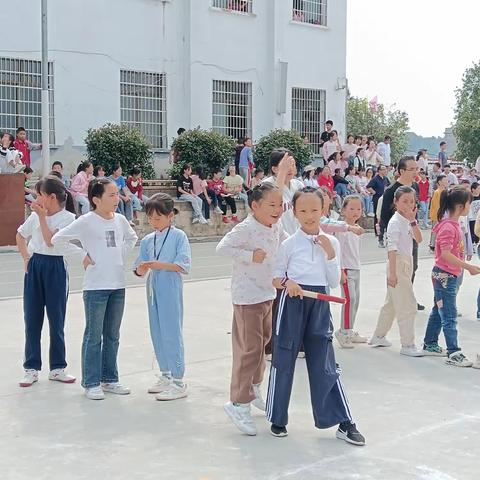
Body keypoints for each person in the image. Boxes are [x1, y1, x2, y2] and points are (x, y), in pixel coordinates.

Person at [267, 187, 365, 445]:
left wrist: (330, 255)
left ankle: (343, 422)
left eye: (314, 210)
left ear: (324, 210)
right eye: (303, 211)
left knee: (325, 362)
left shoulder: (332, 242)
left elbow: (333, 281)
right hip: (292, 302)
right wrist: (288, 283)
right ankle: (277, 417)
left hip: (320, 302)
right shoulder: (289, 244)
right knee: (284, 357)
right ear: (295, 213)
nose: (309, 215)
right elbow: (276, 278)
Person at [51, 177, 138, 400]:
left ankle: (110, 379)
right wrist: (83, 256)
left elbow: (132, 237)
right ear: (96, 199)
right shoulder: (87, 221)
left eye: (117, 194)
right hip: (96, 287)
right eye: (111, 195)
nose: (116, 198)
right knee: (94, 336)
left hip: (118, 285)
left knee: (112, 335)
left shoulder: (120, 220)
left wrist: (120, 255)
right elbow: (59, 239)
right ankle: (91, 382)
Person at [217, 183, 285, 436]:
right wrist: (248, 255)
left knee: (264, 343)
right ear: (255, 206)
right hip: (247, 297)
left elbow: (287, 246)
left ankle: (254, 387)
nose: (278, 210)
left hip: (267, 292)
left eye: (280, 205)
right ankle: (237, 402)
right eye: (272, 205)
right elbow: (222, 248)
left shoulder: (275, 227)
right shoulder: (246, 228)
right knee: (250, 349)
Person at [16, 176, 79, 387]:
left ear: (51, 197)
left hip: (56, 268)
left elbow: (52, 242)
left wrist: (42, 218)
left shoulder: (69, 218)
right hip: (36, 266)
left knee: (56, 319)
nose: (36, 198)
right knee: (32, 319)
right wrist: (26, 258)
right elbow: (20, 235)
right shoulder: (35, 216)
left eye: (39, 194)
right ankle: (31, 368)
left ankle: (58, 367)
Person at [134, 193, 191, 400]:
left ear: (170, 216)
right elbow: (139, 268)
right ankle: (165, 373)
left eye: (158, 217)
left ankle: (178, 379)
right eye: (150, 217)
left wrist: (159, 265)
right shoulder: (148, 240)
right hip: (153, 286)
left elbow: (183, 265)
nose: (153, 222)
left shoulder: (178, 237)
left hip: (170, 284)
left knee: (171, 330)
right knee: (156, 330)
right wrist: (141, 269)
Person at [423, 186, 480, 366]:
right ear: (461, 206)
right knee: (449, 314)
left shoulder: (453, 224)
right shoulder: (448, 227)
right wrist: (468, 267)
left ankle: (430, 343)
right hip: (445, 275)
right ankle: (453, 352)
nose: (470, 207)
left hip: (447, 275)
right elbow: (445, 254)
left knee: (438, 310)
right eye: (469, 203)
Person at [370, 186, 424, 356]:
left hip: (405, 262)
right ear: (396, 202)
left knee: (391, 304)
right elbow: (391, 250)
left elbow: (419, 239)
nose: (409, 204)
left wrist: (413, 220)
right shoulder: (394, 222)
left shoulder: (408, 219)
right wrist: (392, 273)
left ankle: (379, 336)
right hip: (398, 263)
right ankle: (407, 344)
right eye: (405, 201)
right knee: (407, 305)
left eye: (412, 201)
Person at [380, 156, 424, 309]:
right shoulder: (391, 191)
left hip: (411, 232)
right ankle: (393, 300)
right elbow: (384, 216)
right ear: (401, 171)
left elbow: (415, 211)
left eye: (416, 169)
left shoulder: (415, 187)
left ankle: (407, 297)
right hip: (397, 236)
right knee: (396, 268)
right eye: (412, 169)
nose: (415, 172)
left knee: (412, 266)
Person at [334, 195, 367, 348]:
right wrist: (341, 271)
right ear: (343, 210)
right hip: (346, 268)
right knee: (349, 300)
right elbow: (338, 251)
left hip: (356, 268)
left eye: (358, 209)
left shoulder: (358, 229)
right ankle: (343, 332)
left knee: (356, 300)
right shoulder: (341, 229)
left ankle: (349, 329)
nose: (355, 212)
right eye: (351, 208)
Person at [429, 174, 448, 250]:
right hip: (437, 215)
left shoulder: (445, 191)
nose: (446, 181)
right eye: (445, 180)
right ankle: (433, 245)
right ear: (439, 182)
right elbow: (436, 205)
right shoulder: (437, 192)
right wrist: (439, 215)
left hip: (441, 214)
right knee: (435, 230)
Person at [468, 182, 480, 249]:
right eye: (478, 188)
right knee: (472, 231)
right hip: (471, 217)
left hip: (478, 217)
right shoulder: (470, 197)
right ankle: (472, 245)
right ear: (473, 189)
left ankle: (477, 243)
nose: (479, 190)